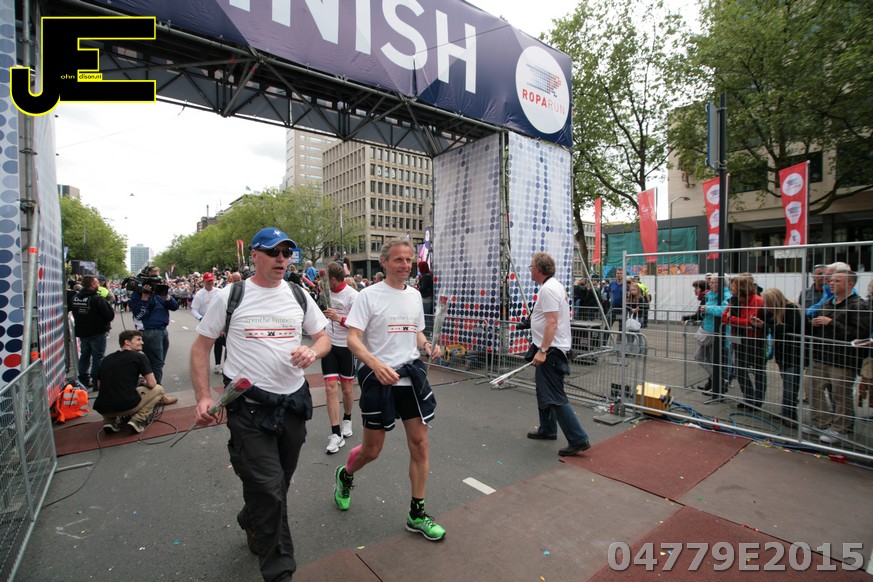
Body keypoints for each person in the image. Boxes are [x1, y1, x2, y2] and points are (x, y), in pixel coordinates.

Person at [191, 227, 330, 582]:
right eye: (273, 252)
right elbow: (201, 347)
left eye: (286, 252)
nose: (281, 258)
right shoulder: (231, 295)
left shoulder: (298, 294)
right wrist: (203, 396)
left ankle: (251, 518)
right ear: (254, 255)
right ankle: (280, 572)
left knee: (277, 484)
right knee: (269, 488)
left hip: (293, 404)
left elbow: (323, 337)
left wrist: (313, 351)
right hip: (248, 408)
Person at [333, 239, 445, 542]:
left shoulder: (414, 295)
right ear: (384, 262)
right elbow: (353, 338)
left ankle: (416, 514)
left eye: (408, 260)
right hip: (379, 379)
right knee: (372, 450)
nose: (405, 265)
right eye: (398, 259)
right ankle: (346, 475)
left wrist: (426, 345)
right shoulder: (368, 295)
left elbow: (416, 331)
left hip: (410, 377)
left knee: (420, 445)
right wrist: (374, 364)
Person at [525, 252, 592, 458]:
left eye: (531, 267)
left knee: (554, 395)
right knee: (544, 391)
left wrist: (543, 351)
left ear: (539, 269)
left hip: (551, 351)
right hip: (551, 348)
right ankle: (547, 429)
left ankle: (578, 439)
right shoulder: (553, 286)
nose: (530, 270)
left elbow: (552, 322)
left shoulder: (548, 289)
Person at [807, 265, 870, 443]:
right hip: (821, 356)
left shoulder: (859, 305)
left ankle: (840, 429)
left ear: (850, 284)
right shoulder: (827, 303)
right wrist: (814, 324)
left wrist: (830, 323)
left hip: (842, 360)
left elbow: (860, 334)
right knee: (812, 389)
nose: (831, 283)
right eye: (831, 280)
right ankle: (821, 424)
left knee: (840, 395)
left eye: (837, 281)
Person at [94, 330, 166, 434]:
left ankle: (109, 421)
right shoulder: (139, 357)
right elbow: (152, 384)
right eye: (138, 340)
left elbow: (100, 386)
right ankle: (137, 420)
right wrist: (143, 382)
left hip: (103, 408)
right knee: (159, 389)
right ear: (127, 342)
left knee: (111, 393)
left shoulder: (106, 359)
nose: (142, 342)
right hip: (127, 406)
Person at [321, 262, 359, 454]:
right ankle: (335, 434)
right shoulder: (325, 292)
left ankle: (347, 419)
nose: (324, 282)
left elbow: (359, 325)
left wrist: (338, 318)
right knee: (330, 387)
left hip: (347, 347)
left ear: (334, 279)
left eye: (326, 279)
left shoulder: (353, 296)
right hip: (329, 345)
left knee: (346, 389)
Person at [753, 288, 804, 425]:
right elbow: (767, 323)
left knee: (790, 386)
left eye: (767, 303)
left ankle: (789, 416)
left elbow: (790, 328)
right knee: (788, 384)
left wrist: (765, 325)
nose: (765, 305)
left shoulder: (791, 309)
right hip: (783, 354)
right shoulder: (773, 312)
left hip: (794, 354)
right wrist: (759, 321)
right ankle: (787, 413)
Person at [129, 265, 178, 389]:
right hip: (149, 331)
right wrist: (144, 298)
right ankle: (156, 391)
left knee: (158, 363)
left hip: (163, 331)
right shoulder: (137, 294)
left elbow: (175, 307)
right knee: (156, 363)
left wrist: (167, 297)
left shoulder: (160, 292)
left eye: (158, 277)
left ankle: (152, 388)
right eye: (153, 277)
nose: (156, 280)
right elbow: (138, 315)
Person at [722, 274, 766, 408]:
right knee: (740, 369)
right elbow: (724, 317)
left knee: (758, 370)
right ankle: (748, 398)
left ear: (741, 288)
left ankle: (757, 400)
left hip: (754, 340)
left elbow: (750, 321)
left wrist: (732, 319)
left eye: (733, 286)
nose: (731, 288)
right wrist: (736, 320)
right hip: (738, 339)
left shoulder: (757, 300)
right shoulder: (733, 300)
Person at [71, 275, 115, 389]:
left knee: (84, 356)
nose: (98, 285)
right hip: (97, 332)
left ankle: (84, 380)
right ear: (92, 284)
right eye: (96, 283)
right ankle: (97, 381)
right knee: (98, 357)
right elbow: (110, 315)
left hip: (82, 332)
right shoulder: (98, 299)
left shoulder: (75, 298)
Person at [696, 276, 731, 395]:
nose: (710, 285)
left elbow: (724, 311)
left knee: (714, 360)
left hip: (717, 332)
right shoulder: (710, 295)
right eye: (710, 282)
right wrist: (703, 312)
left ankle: (718, 384)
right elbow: (706, 311)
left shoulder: (727, 296)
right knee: (699, 357)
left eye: (713, 282)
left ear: (720, 284)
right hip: (707, 330)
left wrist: (708, 309)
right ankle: (719, 381)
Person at [191, 272, 223, 374]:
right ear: (204, 281)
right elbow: (194, 309)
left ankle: (218, 365)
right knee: (205, 346)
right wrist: (200, 318)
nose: (210, 282)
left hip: (217, 321)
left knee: (219, 343)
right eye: (208, 281)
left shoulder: (219, 292)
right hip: (205, 323)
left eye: (211, 280)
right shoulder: (199, 294)